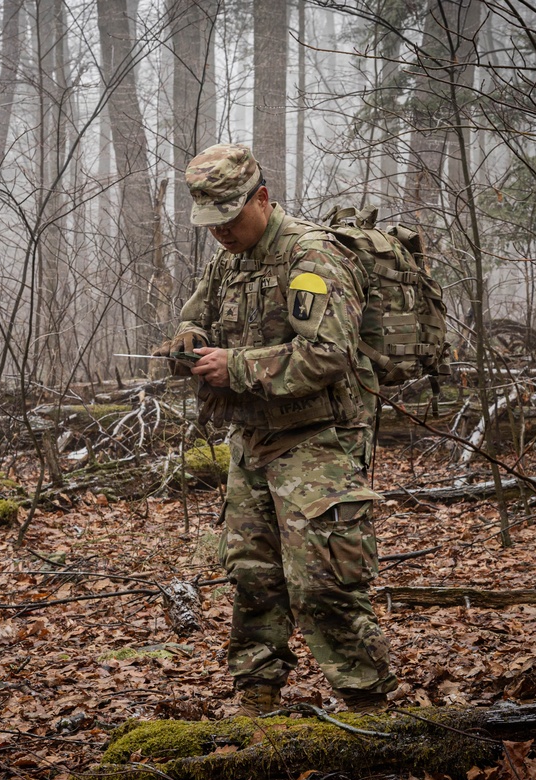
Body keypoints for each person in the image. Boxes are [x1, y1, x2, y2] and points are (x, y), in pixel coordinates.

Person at [157, 143, 398, 716]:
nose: (219, 233)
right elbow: (198, 313)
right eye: (210, 224)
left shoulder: (311, 259)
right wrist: (188, 340)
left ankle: (369, 704)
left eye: (229, 219)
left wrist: (235, 366)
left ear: (262, 199)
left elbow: (326, 355)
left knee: (323, 579)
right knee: (252, 576)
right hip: (253, 440)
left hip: (319, 443)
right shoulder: (229, 260)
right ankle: (258, 696)